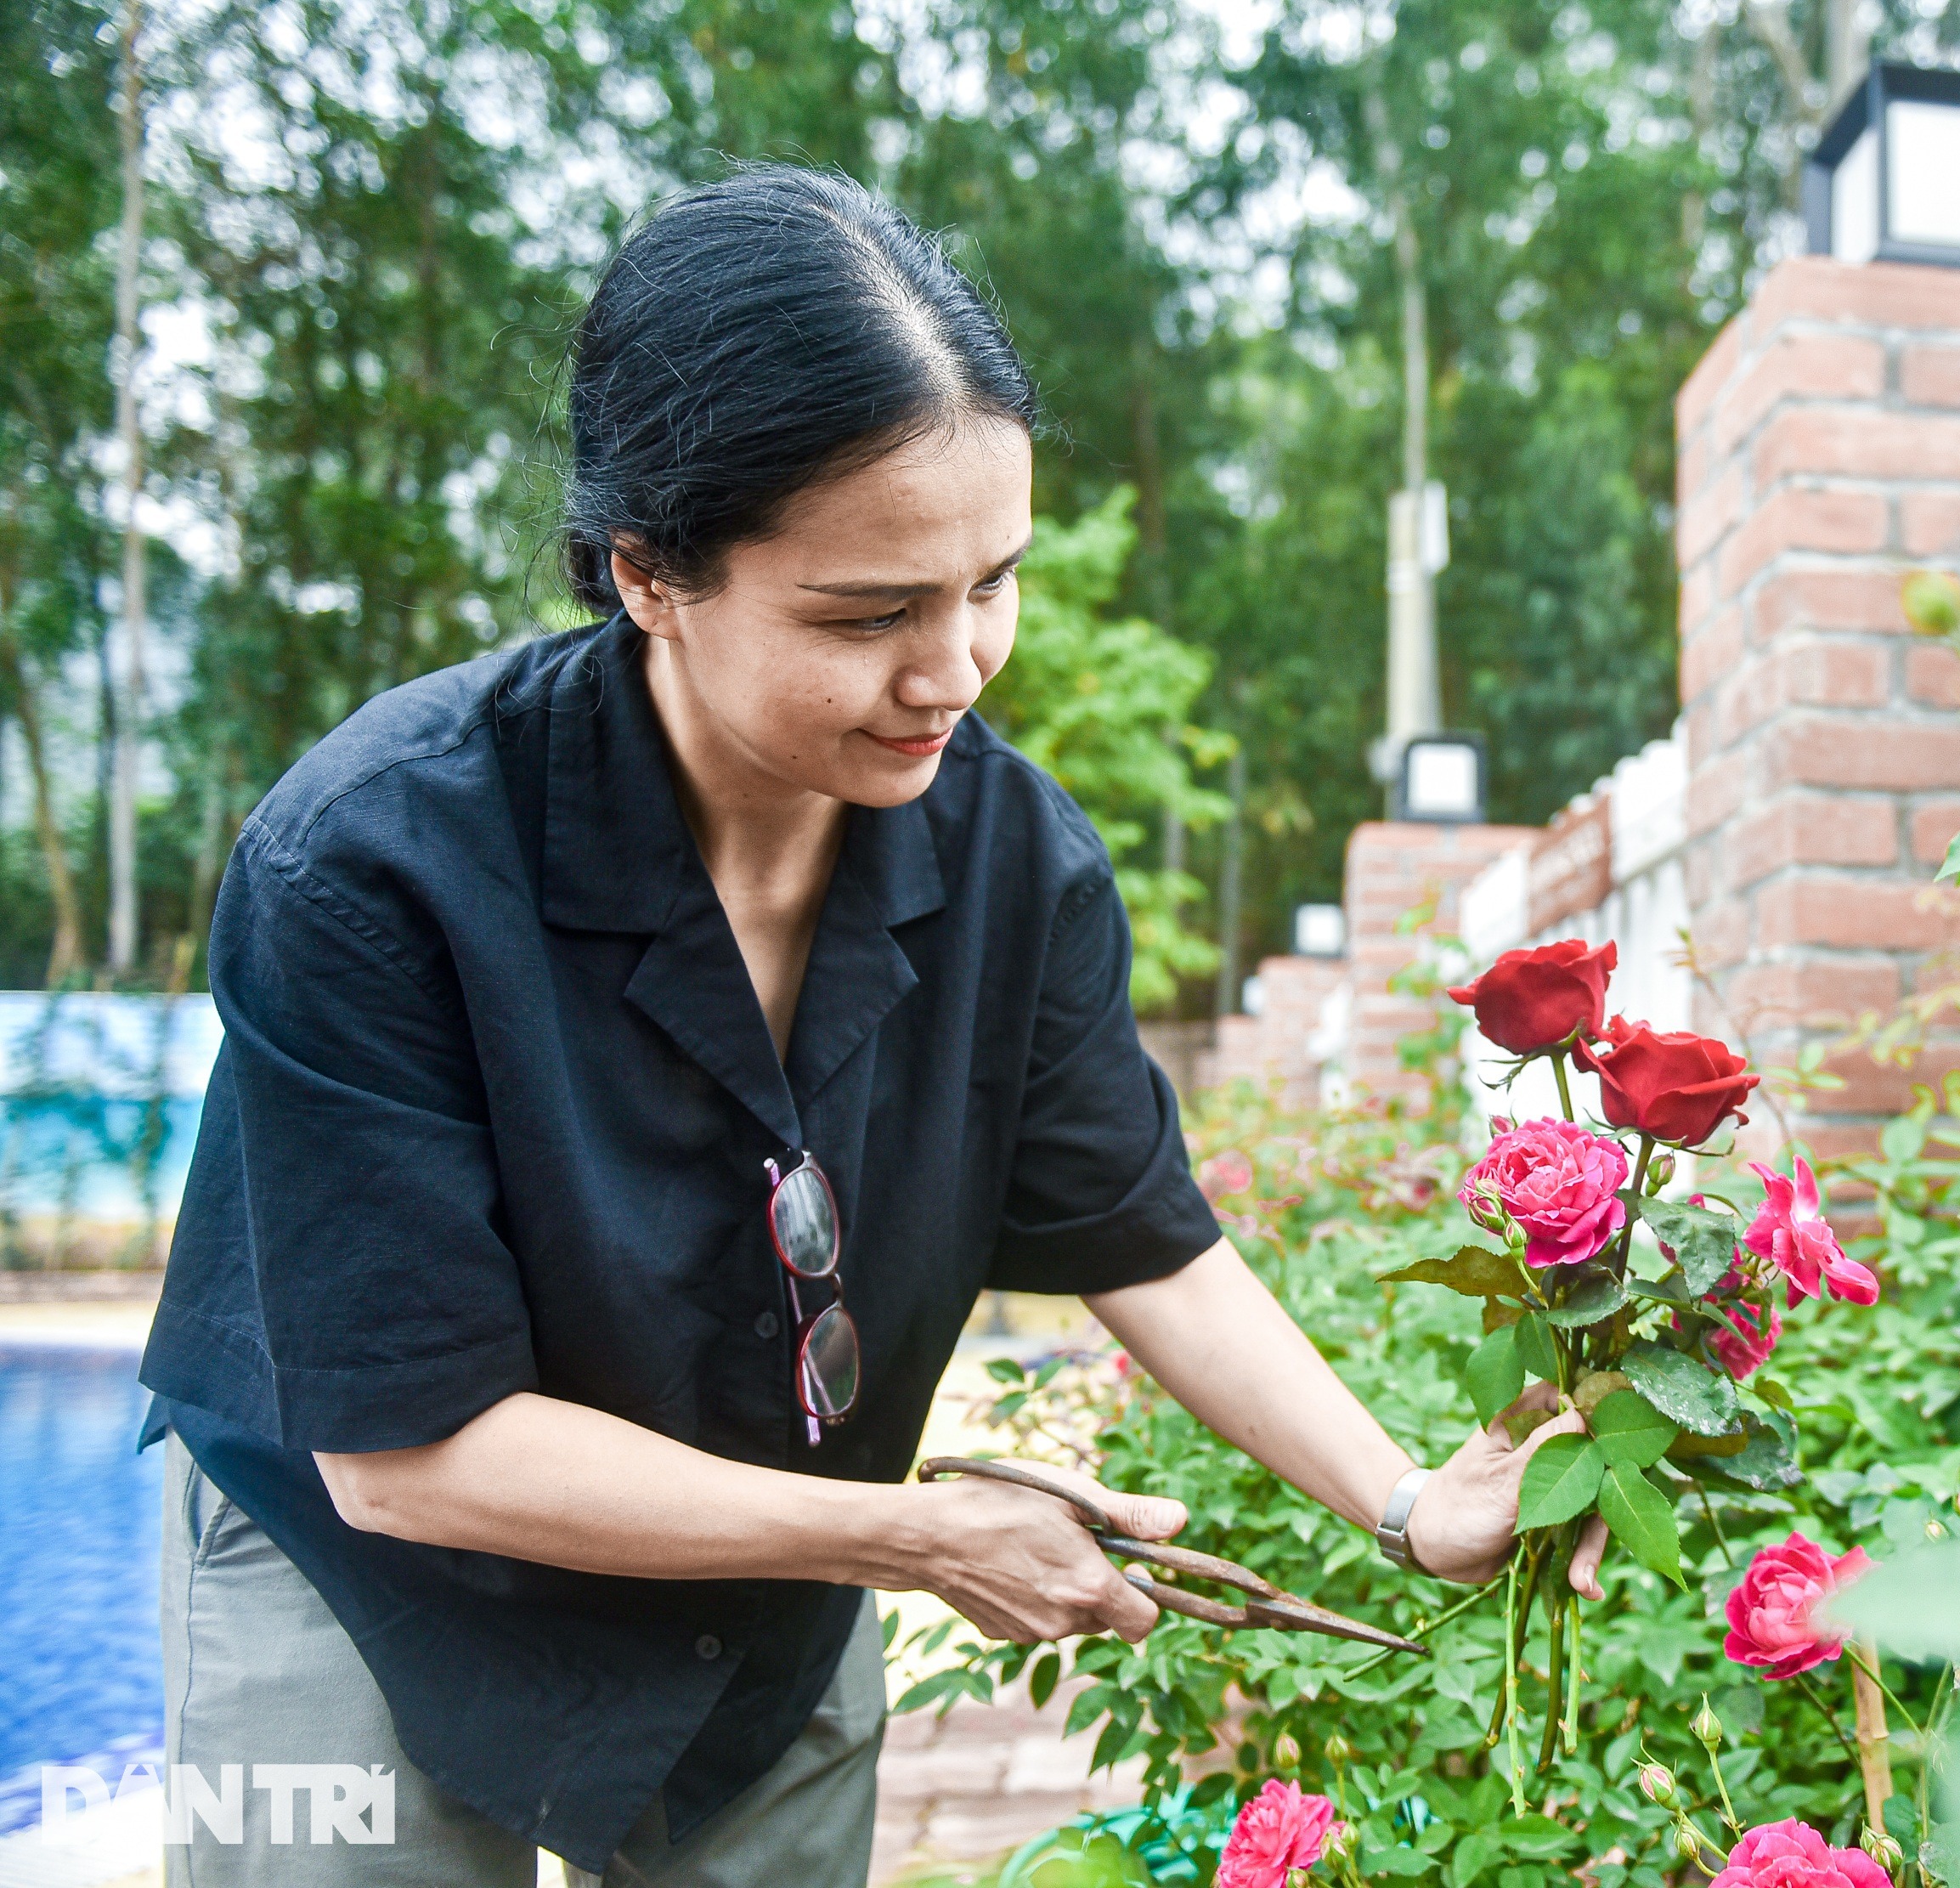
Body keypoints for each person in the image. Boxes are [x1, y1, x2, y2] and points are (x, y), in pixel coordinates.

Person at [135, 164, 1603, 1888]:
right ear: (647, 575)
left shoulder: (1012, 859)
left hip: (764, 1577)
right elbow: (408, 1458)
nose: (958, 666)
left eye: (994, 580)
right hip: (364, 1578)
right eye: (868, 613)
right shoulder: (368, 860)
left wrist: (1409, 1501)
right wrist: (913, 1536)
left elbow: (1144, 1241)